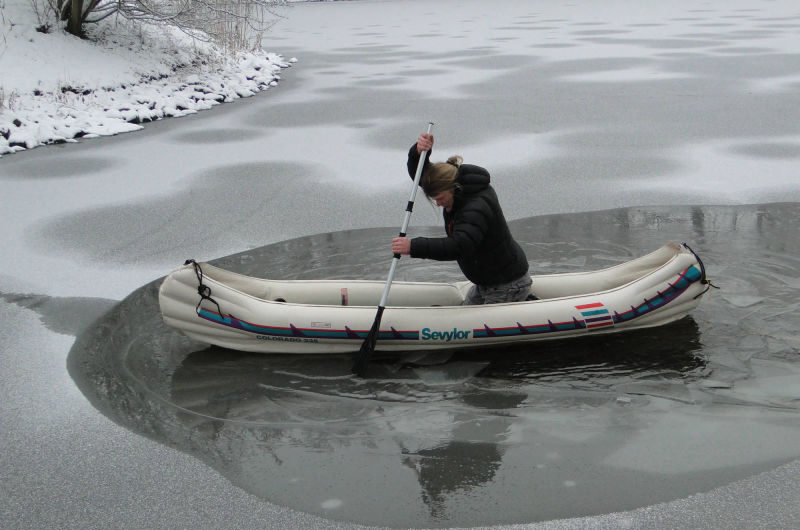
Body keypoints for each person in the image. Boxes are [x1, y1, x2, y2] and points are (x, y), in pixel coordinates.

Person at [391, 132, 532, 305]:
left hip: (507, 284)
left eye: (440, 198)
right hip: (486, 282)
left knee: (479, 329)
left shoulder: (475, 208)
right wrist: (419, 153)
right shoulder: (452, 185)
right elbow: (423, 176)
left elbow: (460, 245)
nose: (438, 204)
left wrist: (413, 246)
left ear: (454, 188)